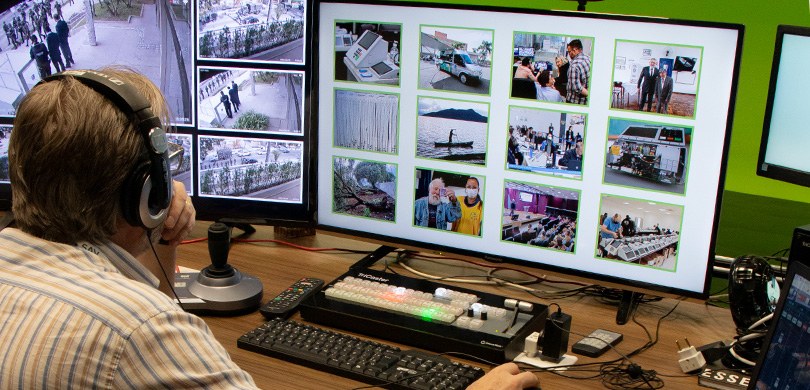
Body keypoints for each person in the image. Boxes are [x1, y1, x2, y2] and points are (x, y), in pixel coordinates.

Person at [565, 39, 590, 105]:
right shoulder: (588, 58)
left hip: (575, 101)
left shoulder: (574, 66)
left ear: (575, 50)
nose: (569, 54)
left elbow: (577, 87)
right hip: (585, 102)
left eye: (569, 51)